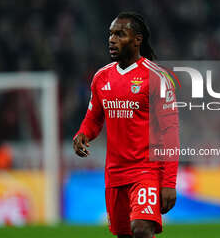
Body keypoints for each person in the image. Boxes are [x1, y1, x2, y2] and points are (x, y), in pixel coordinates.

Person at [73, 12, 179, 238]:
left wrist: (169, 182)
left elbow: (171, 133)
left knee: (141, 229)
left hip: (146, 170)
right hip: (114, 173)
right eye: (111, 34)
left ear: (137, 40)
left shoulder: (156, 77)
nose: (112, 39)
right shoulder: (101, 77)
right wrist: (83, 133)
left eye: (120, 34)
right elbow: (93, 118)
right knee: (125, 235)